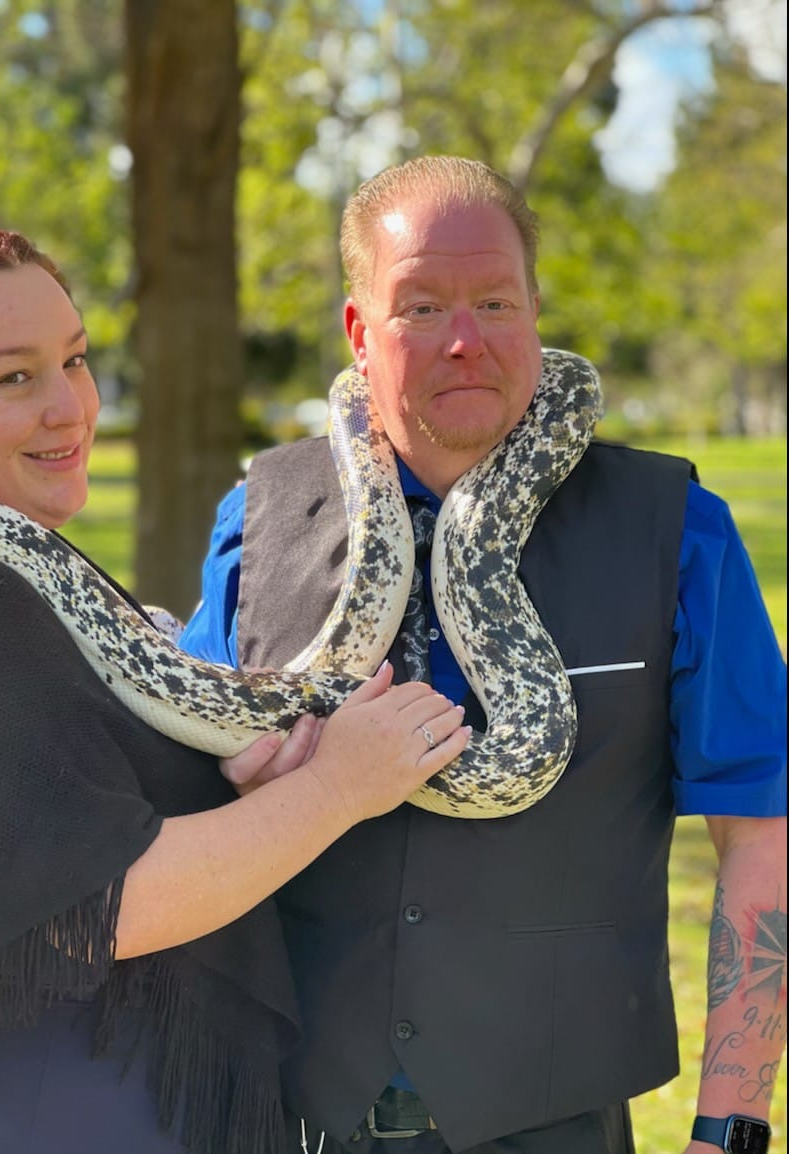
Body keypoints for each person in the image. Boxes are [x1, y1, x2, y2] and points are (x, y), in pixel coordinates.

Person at [180, 156, 787, 1153]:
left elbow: (761, 831)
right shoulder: (259, 521)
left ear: (536, 311)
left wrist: (731, 1124)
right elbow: (184, 807)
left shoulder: (676, 530)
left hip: (555, 1122)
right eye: (421, 306)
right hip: (285, 1119)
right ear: (357, 331)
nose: (466, 341)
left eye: (496, 301)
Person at [0, 227, 472, 1154]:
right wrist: (338, 789)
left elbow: (40, 826)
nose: (69, 408)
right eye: (14, 378)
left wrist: (235, 783)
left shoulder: (19, 574)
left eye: (76, 360)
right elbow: (99, 902)